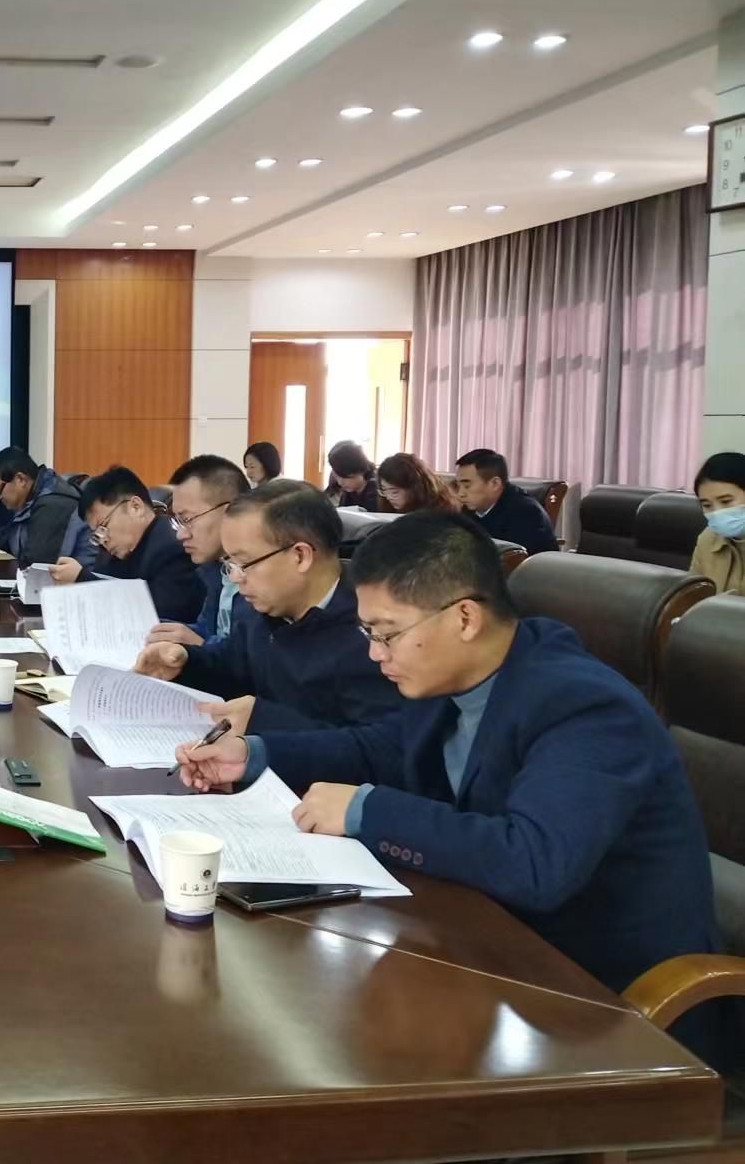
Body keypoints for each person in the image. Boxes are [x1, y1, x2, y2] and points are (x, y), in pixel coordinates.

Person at [175, 510, 722, 1063]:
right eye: (368, 633)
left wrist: (369, 810)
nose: (374, 653)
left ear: (464, 617)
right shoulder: (456, 677)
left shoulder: (584, 707)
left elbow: (534, 863)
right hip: (488, 949)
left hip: (605, 1004)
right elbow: (380, 749)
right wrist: (255, 755)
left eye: (387, 634)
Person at [134, 481, 404, 733]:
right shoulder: (262, 606)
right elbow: (233, 664)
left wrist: (261, 720)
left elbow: (376, 746)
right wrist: (185, 661)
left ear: (300, 556)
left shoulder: (375, 632)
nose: (235, 577)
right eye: (230, 563)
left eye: (244, 563)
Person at [57, 466, 203, 622]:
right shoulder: (113, 553)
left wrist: (83, 579)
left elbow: (159, 616)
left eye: (103, 526)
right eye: (96, 534)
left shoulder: (173, 548)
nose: (103, 539)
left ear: (135, 507)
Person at [155, 455, 251, 647]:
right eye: (178, 521)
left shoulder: (263, 575)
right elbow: (208, 630)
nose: (181, 534)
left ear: (230, 511)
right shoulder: (217, 568)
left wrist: (201, 645)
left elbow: (255, 658)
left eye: (187, 519)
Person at [0, 446, 98, 570]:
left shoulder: (52, 504)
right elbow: (7, 540)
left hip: (80, 580)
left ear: (20, 479)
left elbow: (38, 565)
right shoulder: (29, 500)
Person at [453, 448, 557, 555]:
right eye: (458, 485)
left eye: (467, 486)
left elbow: (515, 560)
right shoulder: (469, 508)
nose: (460, 494)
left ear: (495, 484)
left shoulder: (525, 512)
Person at [692, 451, 745, 595]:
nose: (717, 512)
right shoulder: (708, 539)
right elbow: (692, 595)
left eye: (726, 501)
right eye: (707, 505)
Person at [377, 452, 460, 514]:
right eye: (384, 490)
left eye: (394, 492)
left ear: (414, 488)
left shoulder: (439, 511)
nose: (388, 497)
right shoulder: (389, 507)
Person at [325, 440, 381, 510]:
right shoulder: (349, 491)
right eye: (336, 476)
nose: (340, 482)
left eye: (344, 477)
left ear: (360, 470)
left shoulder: (376, 491)